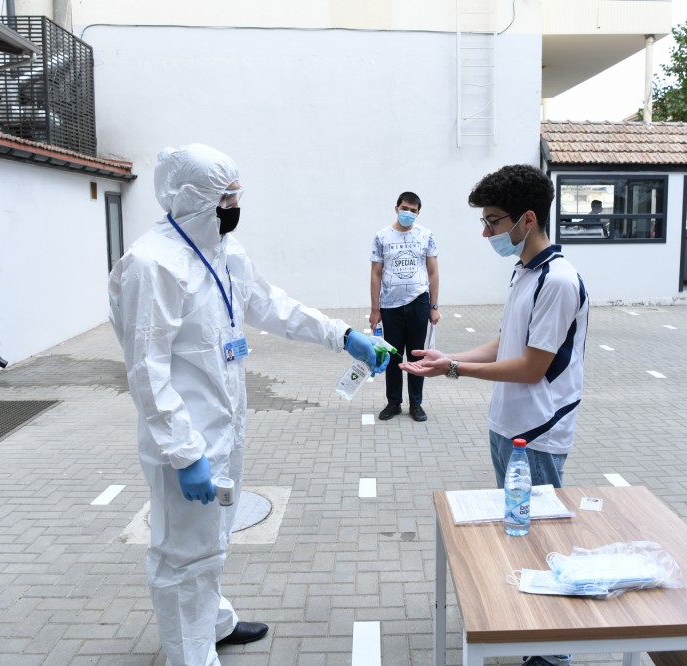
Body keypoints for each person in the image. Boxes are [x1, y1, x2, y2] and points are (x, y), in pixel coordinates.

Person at [108, 144, 388, 666]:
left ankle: (214, 623)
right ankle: (189, 656)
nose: (236, 205)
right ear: (195, 198)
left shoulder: (224, 252)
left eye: (237, 195)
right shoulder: (152, 265)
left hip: (225, 429)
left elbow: (271, 305)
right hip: (186, 442)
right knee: (180, 556)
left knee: (213, 540)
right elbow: (147, 370)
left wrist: (343, 335)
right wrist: (184, 452)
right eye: (227, 196)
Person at [402, 165, 585, 666]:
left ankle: (552, 655)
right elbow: (508, 343)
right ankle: (532, 640)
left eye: (493, 222)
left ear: (528, 219)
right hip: (509, 426)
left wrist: (455, 370)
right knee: (519, 535)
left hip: (539, 433)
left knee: (543, 541)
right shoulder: (525, 271)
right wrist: (449, 358)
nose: (486, 233)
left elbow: (531, 367)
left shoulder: (558, 279)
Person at [370, 192, 441, 422]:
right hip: (390, 305)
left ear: (418, 212)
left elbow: (433, 272)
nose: (408, 213)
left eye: (413, 210)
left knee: (416, 354)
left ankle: (416, 404)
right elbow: (376, 273)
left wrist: (434, 306)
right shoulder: (382, 237)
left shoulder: (426, 235)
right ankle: (393, 402)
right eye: (404, 208)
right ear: (396, 208)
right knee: (393, 355)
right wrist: (375, 309)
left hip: (418, 301)